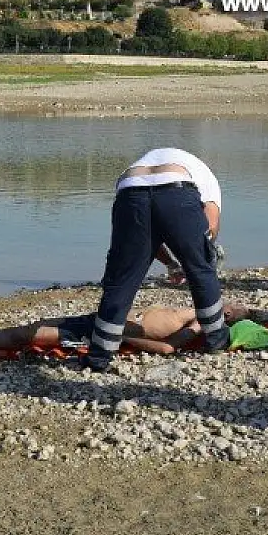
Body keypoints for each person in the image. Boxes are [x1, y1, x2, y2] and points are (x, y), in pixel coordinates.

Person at [83, 148, 228, 372]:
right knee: (201, 269)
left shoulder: (146, 162)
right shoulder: (207, 178)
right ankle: (217, 340)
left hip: (130, 192)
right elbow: (209, 228)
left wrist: (171, 263)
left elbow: (149, 240)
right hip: (177, 192)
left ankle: (99, 355)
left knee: (121, 279)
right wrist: (198, 255)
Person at [0, 302, 252, 355]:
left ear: (229, 317)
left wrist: (119, 335)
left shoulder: (200, 322)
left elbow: (167, 347)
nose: (233, 303)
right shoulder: (200, 308)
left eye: (235, 308)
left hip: (110, 329)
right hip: (108, 317)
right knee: (41, 325)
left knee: (34, 336)